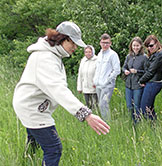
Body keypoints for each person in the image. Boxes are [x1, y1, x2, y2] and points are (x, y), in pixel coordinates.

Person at [12, 21, 110, 166]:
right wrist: (86, 114)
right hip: (32, 108)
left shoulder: (51, 54)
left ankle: (26, 161)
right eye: (73, 43)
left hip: (29, 104)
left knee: (34, 140)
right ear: (63, 39)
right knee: (53, 148)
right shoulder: (45, 58)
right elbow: (58, 89)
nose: (75, 48)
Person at [93, 33, 121, 122]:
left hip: (107, 84)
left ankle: (107, 123)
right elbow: (97, 69)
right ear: (100, 43)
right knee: (100, 104)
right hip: (98, 84)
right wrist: (95, 81)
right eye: (103, 43)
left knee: (103, 104)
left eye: (107, 43)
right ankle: (102, 122)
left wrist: (107, 80)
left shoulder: (113, 54)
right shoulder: (99, 54)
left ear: (110, 43)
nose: (105, 45)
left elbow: (117, 70)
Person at [139, 35, 162, 120]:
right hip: (150, 82)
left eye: (151, 45)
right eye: (147, 46)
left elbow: (151, 71)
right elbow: (147, 69)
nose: (149, 48)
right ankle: (153, 127)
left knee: (144, 108)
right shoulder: (153, 55)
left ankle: (152, 126)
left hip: (154, 83)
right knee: (149, 107)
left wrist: (140, 81)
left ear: (157, 44)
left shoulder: (159, 55)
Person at [122, 37, 147, 123]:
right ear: (131, 46)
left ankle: (138, 123)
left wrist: (137, 71)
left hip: (138, 85)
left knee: (137, 106)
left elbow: (146, 72)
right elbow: (124, 67)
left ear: (141, 46)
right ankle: (132, 122)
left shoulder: (144, 57)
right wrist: (125, 70)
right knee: (129, 106)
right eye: (134, 45)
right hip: (128, 84)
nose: (135, 47)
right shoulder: (129, 56)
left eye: (137, 45)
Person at [77, 45, 98, 109]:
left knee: (95, 105)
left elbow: (98, 74)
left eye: (89, 52)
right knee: (87, 105)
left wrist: (96, 83)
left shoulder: (97, 60)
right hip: (85, 87)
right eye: (86, 52)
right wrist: (79, 88)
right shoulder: (83, 61)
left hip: (94, 88)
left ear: (93, 52)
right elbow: (80, 75)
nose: (88, 54)